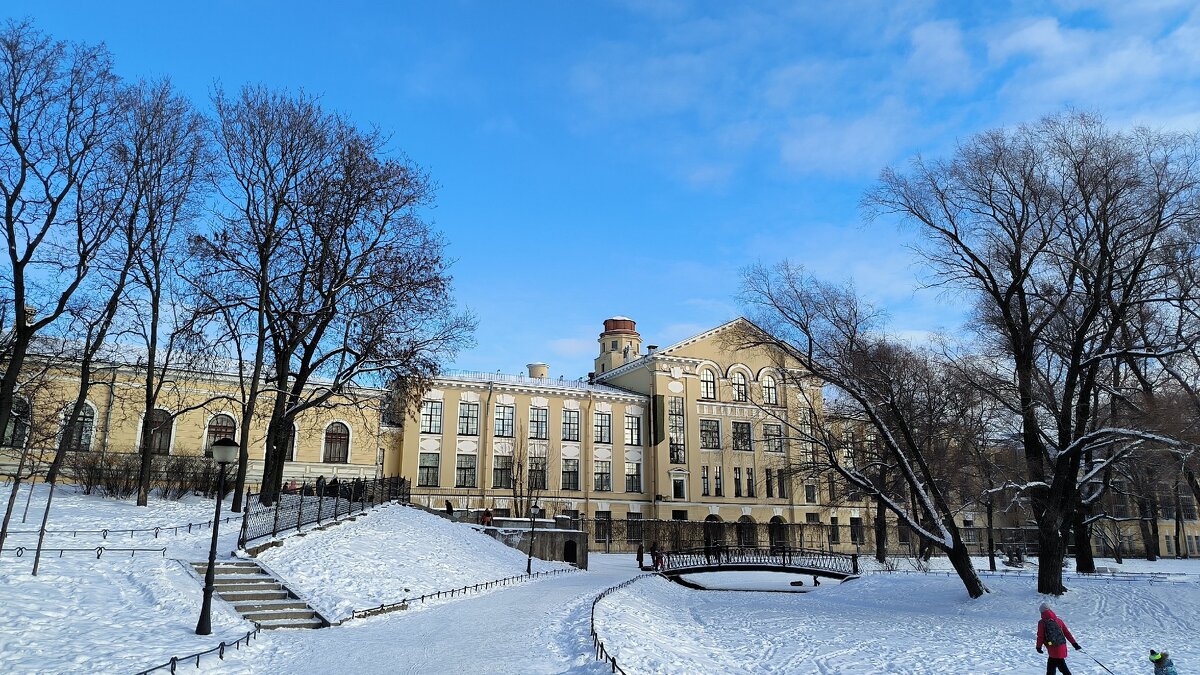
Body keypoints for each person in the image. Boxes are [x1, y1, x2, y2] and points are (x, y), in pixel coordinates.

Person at [1036, 602, 1081, 675]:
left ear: (1041, 612)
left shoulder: (1042, 623)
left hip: (1052, 646)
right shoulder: (1058, 620)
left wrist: (1038, 647)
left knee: (1060, 667)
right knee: (1052, 665)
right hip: (1061, 646)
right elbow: (1067, 633)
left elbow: (1040, 636)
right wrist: (1074, 644)